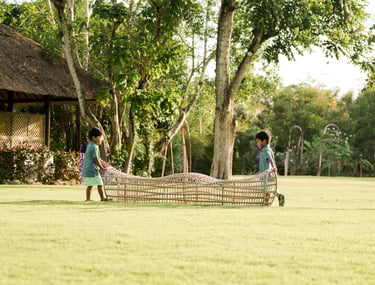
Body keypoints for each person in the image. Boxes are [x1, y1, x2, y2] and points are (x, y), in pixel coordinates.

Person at [255, 130, 285, 207]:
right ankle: (278, 196)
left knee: (266, 190)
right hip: (267, 174)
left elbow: (270, 158)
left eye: (258, 141)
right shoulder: (268, 149)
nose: (257, 144)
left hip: (266, 174)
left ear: (264, 141)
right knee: (268, 190)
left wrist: (274, 166)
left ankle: (265, 204)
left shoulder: (265, 150)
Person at [82, 127, 110, 201]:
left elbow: (98, 158)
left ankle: (88, 199)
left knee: (90, 185)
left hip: (88, 169)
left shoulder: (90, 145)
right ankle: (102, 198)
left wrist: (104, 164)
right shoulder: (94, 146)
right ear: (94, 137)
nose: (101, 139)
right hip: (92, 169)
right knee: (100, 183)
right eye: (100, 137)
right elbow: (96, 159)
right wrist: (101, 167)